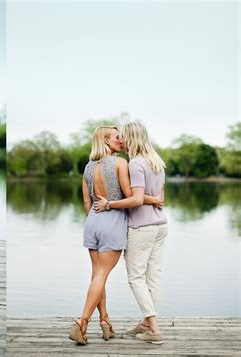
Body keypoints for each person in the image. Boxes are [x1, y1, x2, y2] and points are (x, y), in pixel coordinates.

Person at [69, 126, 161, 345]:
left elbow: (86, 202)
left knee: (97, 276)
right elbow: (132, 196)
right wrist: (153, 199)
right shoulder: (121, 163)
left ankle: (104, 322)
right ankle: (81, 323)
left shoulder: (88, 167)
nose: (121, 140)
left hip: (93, 221)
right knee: (100, 276)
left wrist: (95, 220)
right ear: (106, 141)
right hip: (112, 221)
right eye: (117, 137)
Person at [93, 121, 167, 345]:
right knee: (153, 277)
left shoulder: (135, 164)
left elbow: (135, 199)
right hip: (161, 226)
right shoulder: (157, 162)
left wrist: (109, 205)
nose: (121, 140)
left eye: (124, 136)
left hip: (141, 227)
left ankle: (153, 329)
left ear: (132, 138)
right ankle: (145, 324)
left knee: (136, 278)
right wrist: (152, 199)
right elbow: (158, 197)